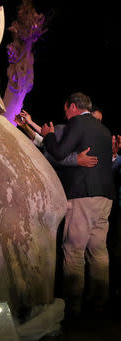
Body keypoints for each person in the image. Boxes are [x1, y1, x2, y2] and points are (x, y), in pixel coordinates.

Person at [41, 92, 114, 320]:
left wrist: (49, 136)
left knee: (73, 250)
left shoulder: (77, 122)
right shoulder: (104, 130)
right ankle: (99, 303)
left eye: (66, 109)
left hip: (83, 195)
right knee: (98, 251)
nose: (65, 113)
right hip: (105, 196)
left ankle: (72, 308)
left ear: (73, 107)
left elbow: (60, 152)